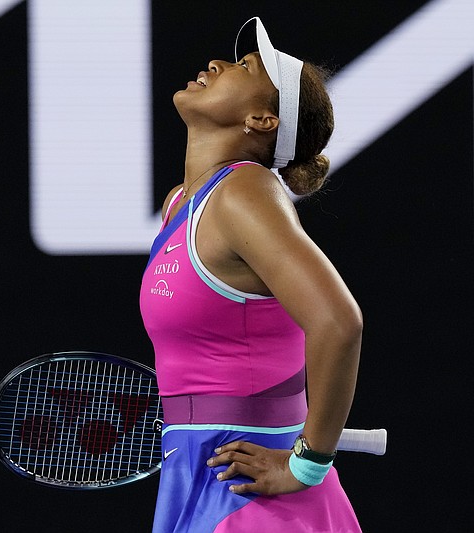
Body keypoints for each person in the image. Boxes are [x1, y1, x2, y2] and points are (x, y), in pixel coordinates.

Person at [139, 16, 363, 532]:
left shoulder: (243, 193)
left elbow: (339, 321)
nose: (216, 63)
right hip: (200, 475)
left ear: (262, 120)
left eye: (243, 67)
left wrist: (309, 461)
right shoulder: (182, 203)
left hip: (253, 496)